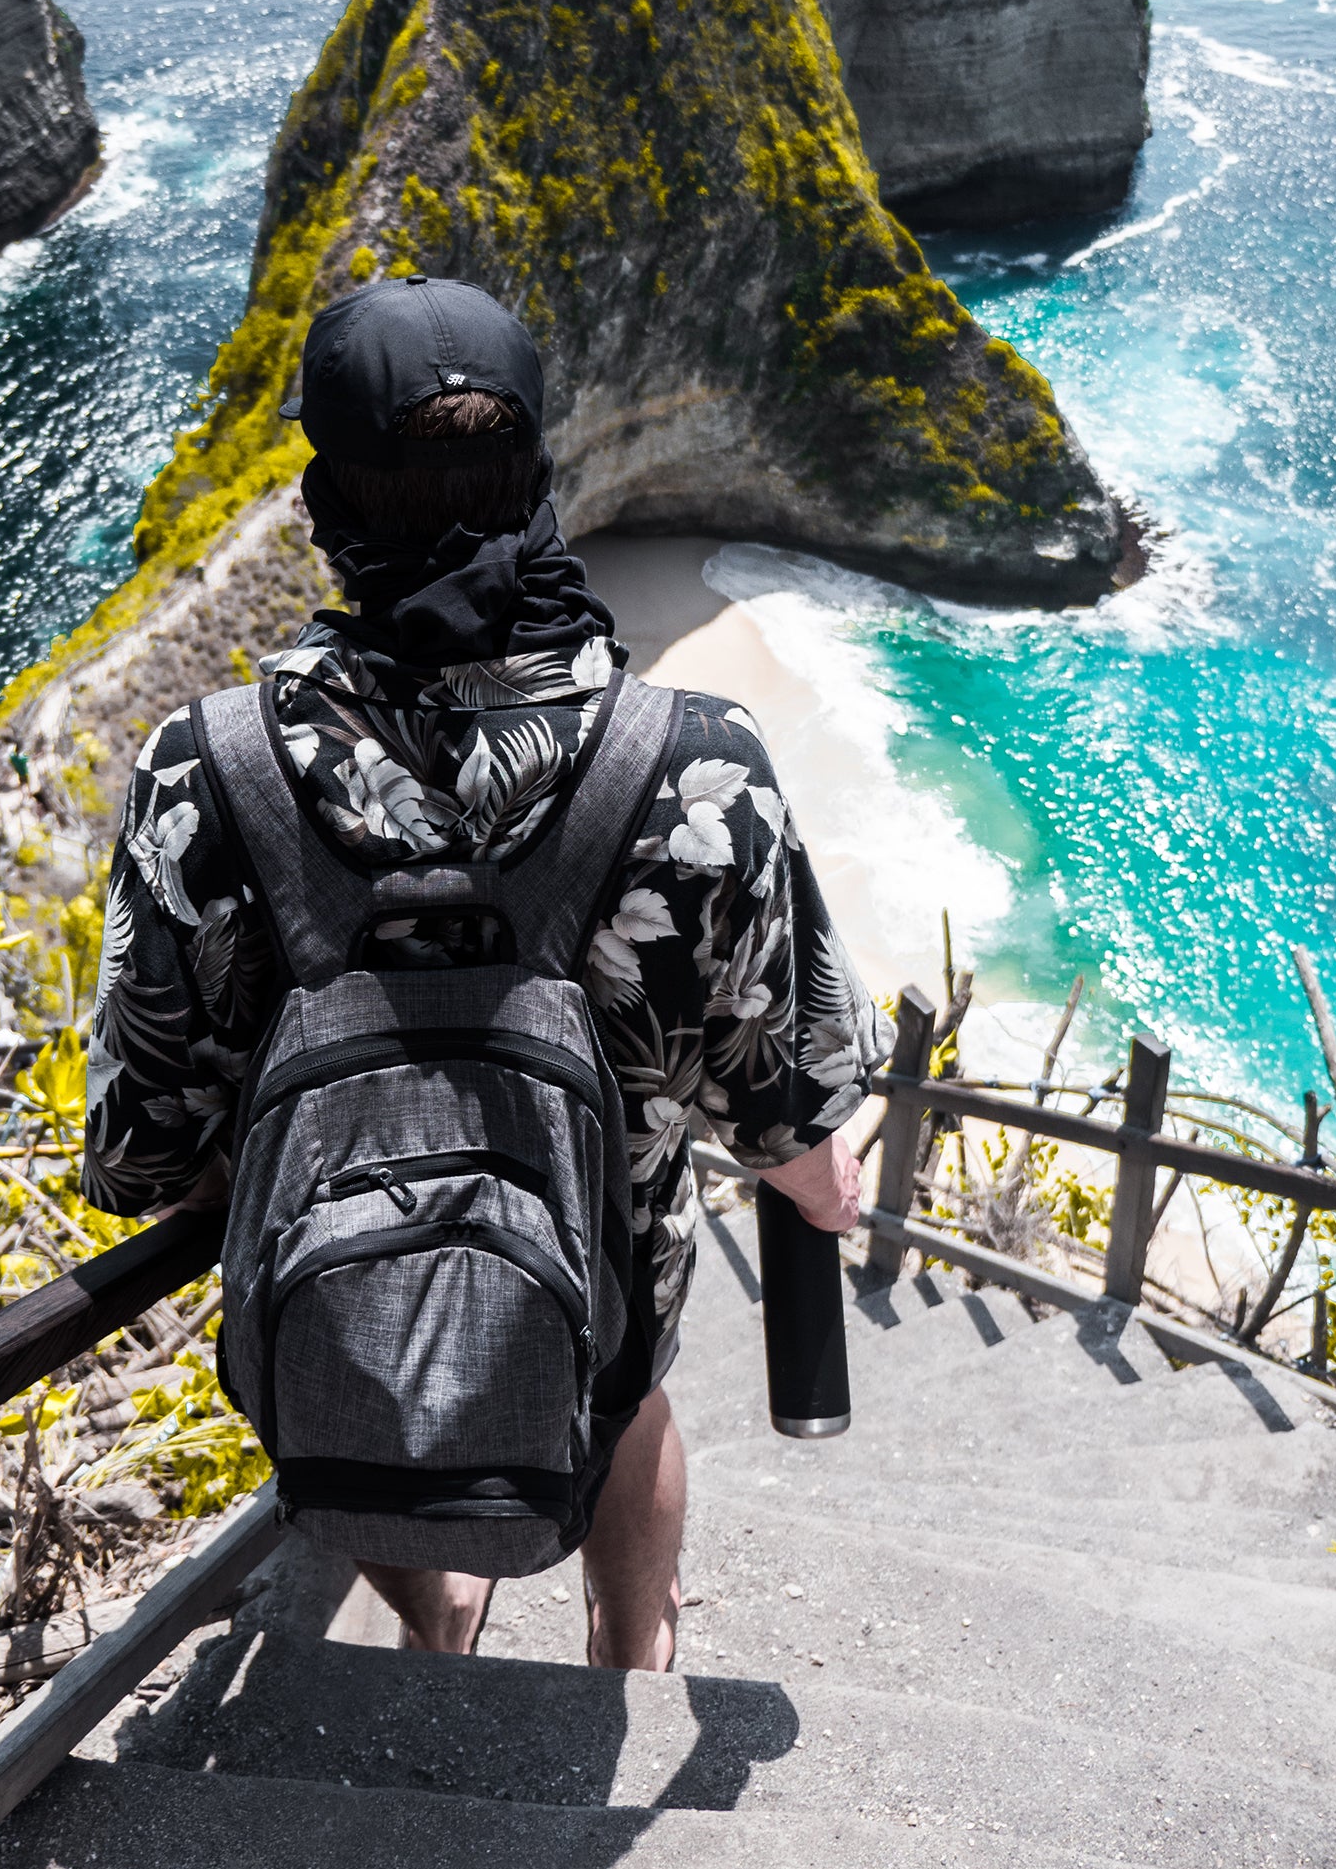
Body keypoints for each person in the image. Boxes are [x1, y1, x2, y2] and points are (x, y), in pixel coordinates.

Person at [83, 275, 885, 1670]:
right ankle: (628, 1654)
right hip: (604, 1273)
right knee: (624, 1394)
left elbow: (139, 1151)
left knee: (351, 1372)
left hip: (331, 1304)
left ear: (327, 502)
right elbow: (789, 1107)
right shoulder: (695, 761)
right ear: (534, 480)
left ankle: (441, 1616)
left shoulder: (200, 772)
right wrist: (821, 1191)